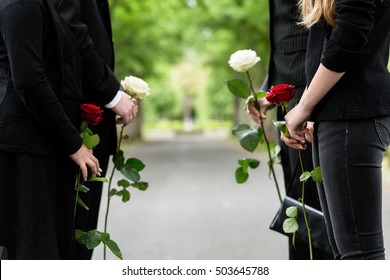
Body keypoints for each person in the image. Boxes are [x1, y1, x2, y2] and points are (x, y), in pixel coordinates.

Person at [283, 0, 390, 259]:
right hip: (338, 116)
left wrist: (305, 106)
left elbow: (350, 36)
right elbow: (330, 45)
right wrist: (310, 105)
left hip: (350, 118)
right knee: (345, 251)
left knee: (358, 255)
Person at [0, 0, 101, 259]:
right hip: (26, 146)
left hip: (38, 141)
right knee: (34, 253)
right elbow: (29, 80)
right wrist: (73, 143)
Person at [248, 0, 332, 259]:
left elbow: (329, 31)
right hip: (291, 102)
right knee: (300, 210)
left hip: (312, 101)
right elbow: (287, 37)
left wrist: (310, 103)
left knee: (317, 218)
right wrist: (269, 91)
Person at [56, 0, 138, 259]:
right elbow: (71, 28)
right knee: (70, 234)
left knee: (80, 234)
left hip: (86, 120)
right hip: (73, 122)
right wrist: (112, 95)